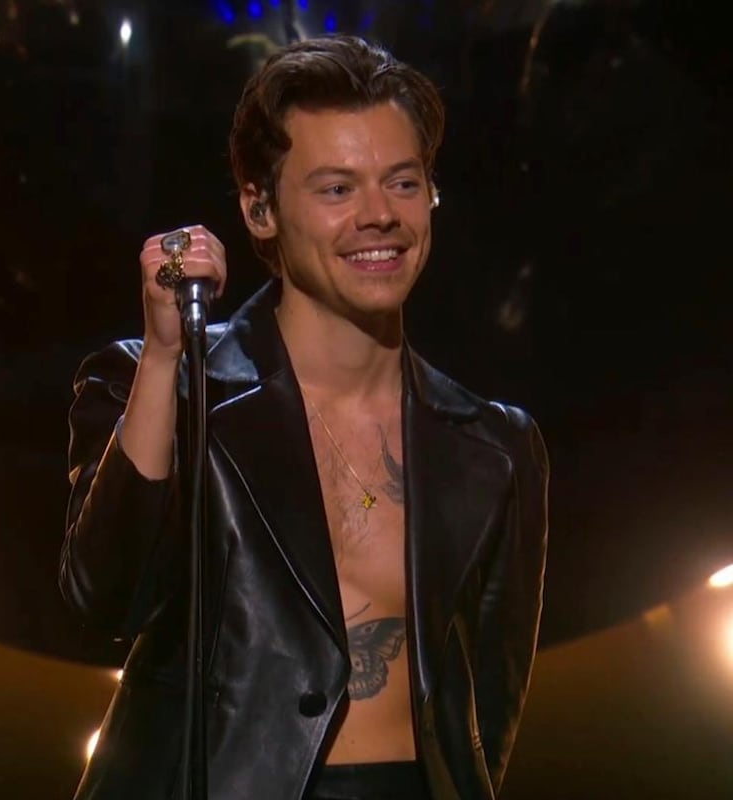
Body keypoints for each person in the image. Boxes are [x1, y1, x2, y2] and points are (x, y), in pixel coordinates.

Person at [60, 34, 548, 800]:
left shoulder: (495, 445)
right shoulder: (171, 389)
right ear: (260, 208)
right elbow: (106, 601)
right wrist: (165, 356)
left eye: (403, 182)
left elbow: (487, 705)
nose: (380, 216)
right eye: (336, 189)